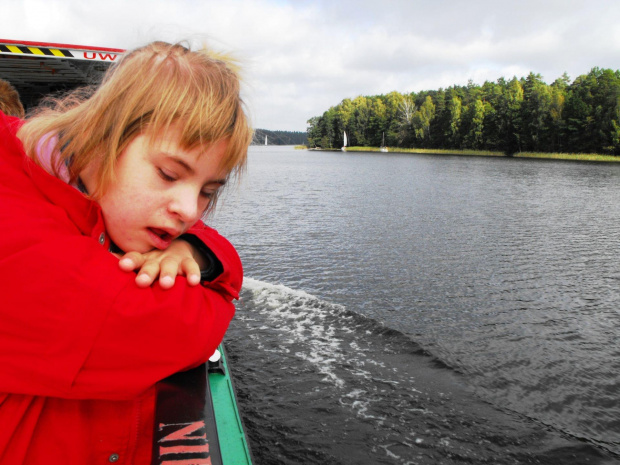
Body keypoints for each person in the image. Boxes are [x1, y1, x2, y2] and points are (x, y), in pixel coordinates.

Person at [0, 41, 252, 464]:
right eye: (169, 174)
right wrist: (217, 282)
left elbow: (213, 241)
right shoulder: (13, 213)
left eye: (208, 191)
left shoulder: (103, 193)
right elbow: (178, 329)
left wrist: (197, 248)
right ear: (103, 134)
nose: (189, 210)